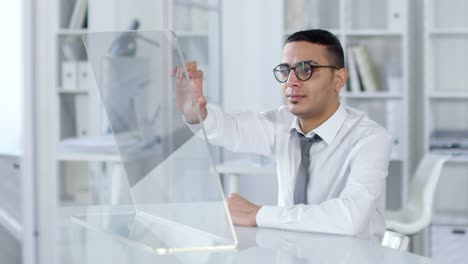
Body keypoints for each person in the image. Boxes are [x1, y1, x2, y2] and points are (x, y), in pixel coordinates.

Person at [175, 29, 393, 243]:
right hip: (290, 253)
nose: (291, 81)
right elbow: (229, 128)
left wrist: (257, 214)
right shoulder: (282, 122)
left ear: (338, 79)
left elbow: (349, 218)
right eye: (285, 70)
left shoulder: (370, 139)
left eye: (306, 69)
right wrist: (196, 114)